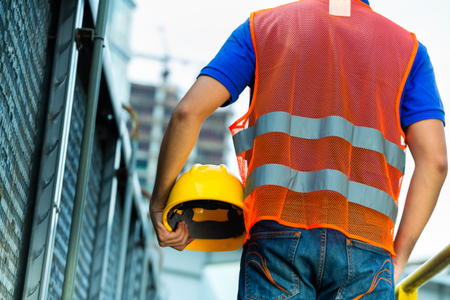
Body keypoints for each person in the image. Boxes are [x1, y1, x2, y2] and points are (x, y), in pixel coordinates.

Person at [149, 0, 447, 299]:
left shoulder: (262, 28)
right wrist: (399, 256)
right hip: (367, 245)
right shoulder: (409, 52)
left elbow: (187, 113)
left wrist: (160, 205)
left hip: (277, 235)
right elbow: (435, 162)